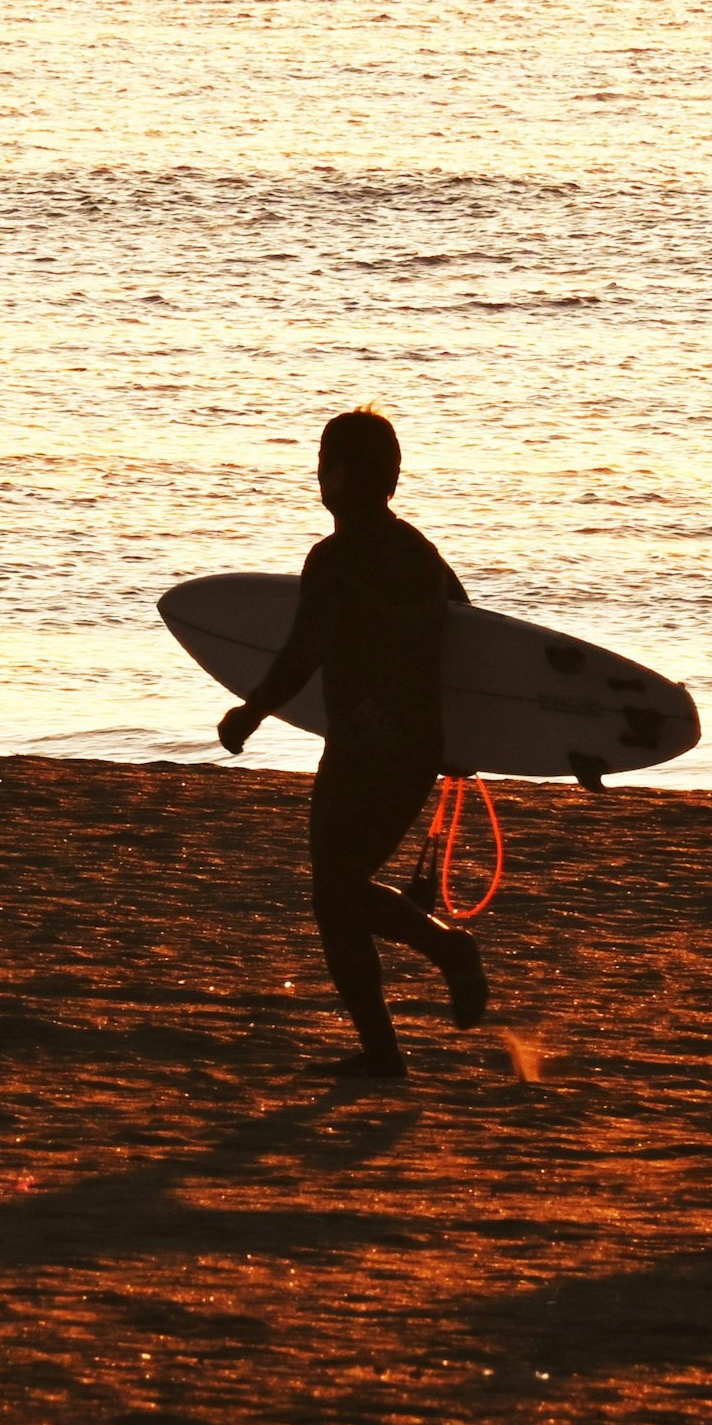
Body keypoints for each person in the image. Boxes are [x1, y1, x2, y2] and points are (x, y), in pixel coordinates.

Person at [217, 407, 489, 1078]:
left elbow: (302, 651)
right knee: (341, 889)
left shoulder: (333, 559)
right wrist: (468, 741)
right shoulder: (419, 553)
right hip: (417, 747)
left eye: (324, 464)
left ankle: (442, 963)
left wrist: (251, 712)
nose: (319, 475)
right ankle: (391, 1040)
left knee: (333, 892)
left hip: (364, 746)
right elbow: (471, 636)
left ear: (338, 477)